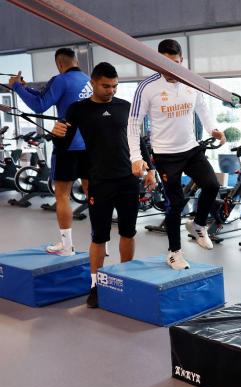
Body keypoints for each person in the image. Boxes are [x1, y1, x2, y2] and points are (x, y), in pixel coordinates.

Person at [52, 62, 156, 308]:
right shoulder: (78, 110)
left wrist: (150, 168)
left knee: (128, 232)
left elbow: (139, 141)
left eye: (115, 86)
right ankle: (96, 285)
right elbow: (65, 146)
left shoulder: (126, 107)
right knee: (99, 236)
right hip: (99, 181)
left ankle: (125, 277)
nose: (111, 90)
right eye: (106, 86)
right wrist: (57, 135)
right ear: (93, 83)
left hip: (129, 179)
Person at [127, 39, 225, 270]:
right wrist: (135, 157)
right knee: (176, 203)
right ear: (156, 62)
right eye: (164, 64)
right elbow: (133, 124)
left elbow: (202, 108)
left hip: (191, 149)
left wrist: (213, 129)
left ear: (182, 62)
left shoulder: (191, 81)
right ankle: (174, 252)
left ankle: (199, 225)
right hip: (165, 155)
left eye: (176, 64)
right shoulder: (147, 87)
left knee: (211, 185)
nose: (171, 69)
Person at [9, 48, 92, 256]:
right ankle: (102, 242)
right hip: (89, 146)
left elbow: (39, 105)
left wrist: (16, 87)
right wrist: (25, 88)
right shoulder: (88, 80)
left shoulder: (60, 79)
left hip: (68, 145)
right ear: (75, 60)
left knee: (62, 194)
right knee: (93, 194)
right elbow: (47, 96)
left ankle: (66, 246)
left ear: (59, 64)